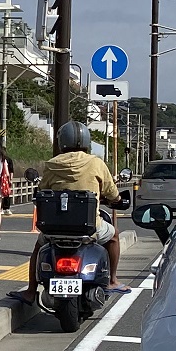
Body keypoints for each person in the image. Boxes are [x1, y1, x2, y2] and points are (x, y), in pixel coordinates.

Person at [29, 120, 122, 297]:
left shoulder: (52, 164)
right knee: (114, 236)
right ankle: (112, 280)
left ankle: (31, 290)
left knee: (38, 248)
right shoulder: (96, 163)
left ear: (61, 141)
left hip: (55, 228)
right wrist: (116, 199)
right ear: (87, 142)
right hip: (89, 227)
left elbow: (41, 191)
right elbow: (111, 192)